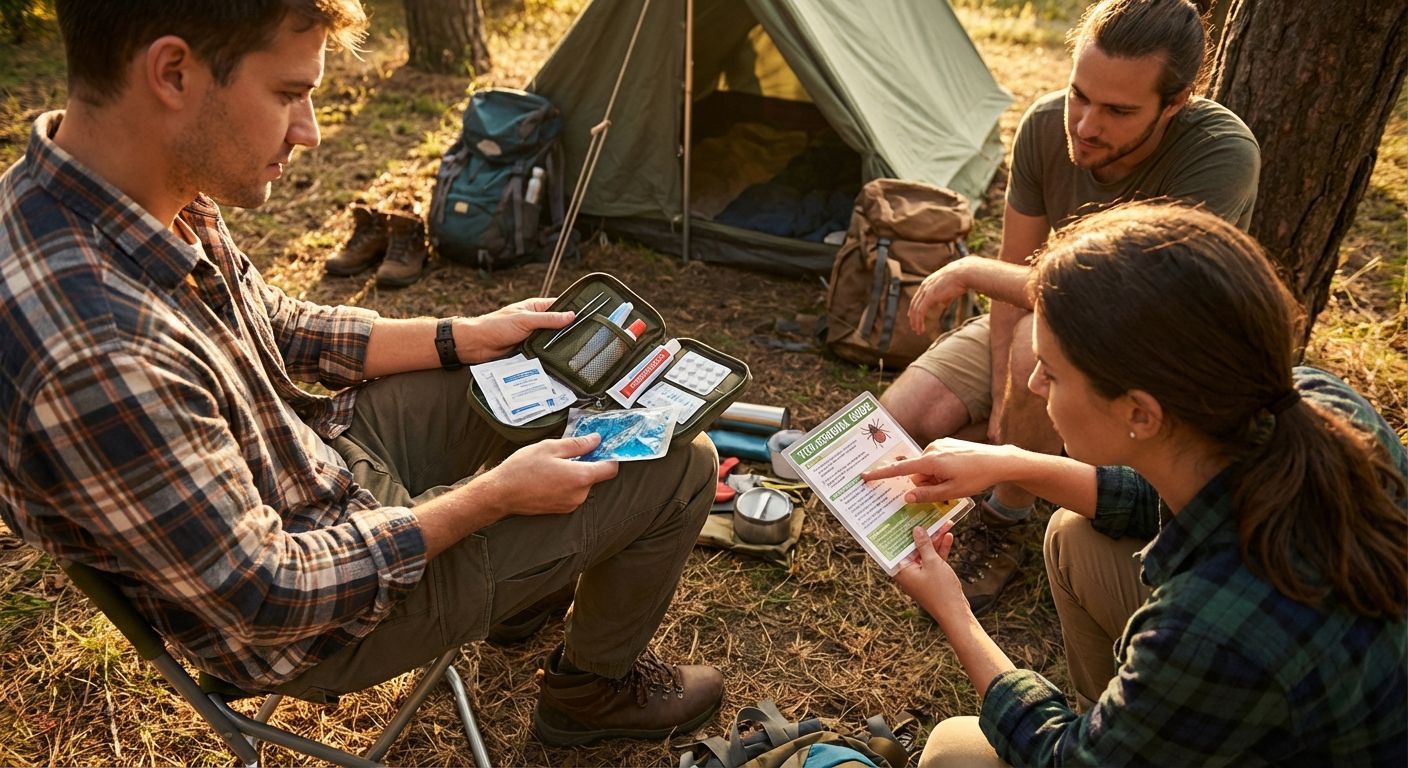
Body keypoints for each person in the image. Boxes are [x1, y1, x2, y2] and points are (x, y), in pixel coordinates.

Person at [0, 0, 724, 748]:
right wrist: (489, 498)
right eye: (288, 94)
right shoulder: (98, 350)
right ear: (173, 72)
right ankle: (590, 695)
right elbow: (270, 595)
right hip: (323, 614)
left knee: (528, 373)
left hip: (317, 464)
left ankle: (521, 596)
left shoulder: (127, 193)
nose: (309, 131)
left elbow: (274, 326)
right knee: (679, 464)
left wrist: (463, 335)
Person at [864, 202, 1407, 765]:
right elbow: (1161, 495)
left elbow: (1064, 760)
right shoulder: (1312, 401)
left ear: (1141, 414)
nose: (1030, 381)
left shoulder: (1207, 628)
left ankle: (1123, 738)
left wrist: (953, 609)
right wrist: (1012, 463)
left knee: (956, 751)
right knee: (1075, 538)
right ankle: (1127, 728)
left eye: (1050, 371)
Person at [880, 0, 1261, 613]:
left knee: (1039, 336)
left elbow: (1127, 294)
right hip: (1047, 313)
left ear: (1176, 102)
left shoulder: (1219, 154)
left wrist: (974, 271)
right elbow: (1017, 276)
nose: (1084, 125)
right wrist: (1008, 401)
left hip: (1145, 346)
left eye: (1117, 110)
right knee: (903, 426)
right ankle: (1036, 452)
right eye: (1079, 94)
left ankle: (1005, 518)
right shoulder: (1043, 126)